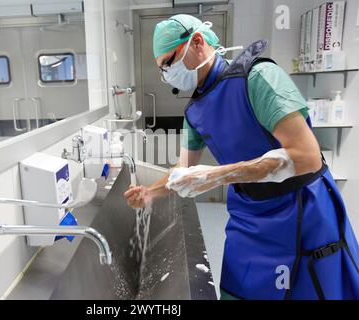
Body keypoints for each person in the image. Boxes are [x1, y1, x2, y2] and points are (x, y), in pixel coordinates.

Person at [124, 14, 359, 300]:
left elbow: (306, 157)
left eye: (168, 64)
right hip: (249, 214)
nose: (166, 76)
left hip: (300, 208)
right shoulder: (194, 111)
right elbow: (182, 167)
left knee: (310, 288)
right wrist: (150, 193)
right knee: (240, 288)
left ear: (196, 42)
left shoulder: (258, 78)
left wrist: (216, 175)